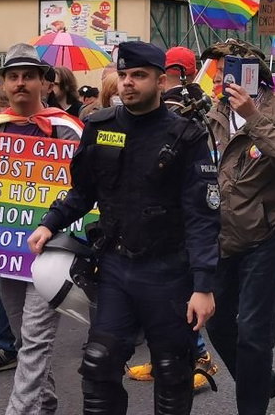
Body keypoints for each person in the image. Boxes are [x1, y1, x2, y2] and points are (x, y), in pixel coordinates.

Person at [26, 41, 218, 414]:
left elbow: (203, 216)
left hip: (169, 273)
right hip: (115, 267)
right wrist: (50, 224)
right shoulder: (99, 127)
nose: (128, 83)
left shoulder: (187, 136)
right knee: (98, 364)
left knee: (172, 369)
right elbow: (83, 192)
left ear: (161, 81)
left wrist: (204, 286)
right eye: (124, 75)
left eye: (139, 76)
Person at [0, 44, 83, 413]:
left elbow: (84, 188)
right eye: (13, 76)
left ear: (43, 82)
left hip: (52, 252)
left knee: (36, 338)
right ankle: (46, 401)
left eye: (28, 76)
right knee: (24, 337)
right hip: (4, 251)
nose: (21, 83)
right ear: (4, 83)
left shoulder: (65, 130)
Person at [204, 40, 275, 415]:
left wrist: (253, 117)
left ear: (251, 74)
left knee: (254, 336)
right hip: (220, 233)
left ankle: (252, 405)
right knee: (216, 325)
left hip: (264, 233)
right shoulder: (214, 111)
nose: (218, 77)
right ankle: (262, 379)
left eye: (225, 68)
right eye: (217, 70)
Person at [125, 46, 220, 393]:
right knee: (148, 302)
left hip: (177, 215)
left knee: (178, 299)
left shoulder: (195, 104)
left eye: (175, 68)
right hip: (145, 213)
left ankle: (200, 357)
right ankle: (159, 356)